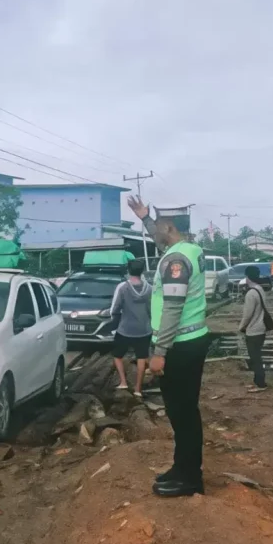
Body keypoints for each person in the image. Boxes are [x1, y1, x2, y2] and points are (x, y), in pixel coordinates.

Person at [128, 195, 211, 497]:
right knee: (182, 412)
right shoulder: (189, 249)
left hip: (179, 346)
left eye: (159, 225)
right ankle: (182, 467)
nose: (156, 231)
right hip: (191, 340)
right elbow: (160, 240)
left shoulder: (175, 261)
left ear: (170, 227)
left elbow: (173, 308)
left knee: (182, 413)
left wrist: (160, 353)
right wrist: (145, 218)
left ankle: (190, 478)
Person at [110, 259, 152, 397]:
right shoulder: (149, 288)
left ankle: (123, 382)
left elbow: (115, 308)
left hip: (125, 328)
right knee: (142, 357)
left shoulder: (122, 287)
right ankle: (138, 389)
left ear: (128, 270)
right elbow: (152, 309)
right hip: (144, 329)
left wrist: (114, 321)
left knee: (117, 355)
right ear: (142, 271)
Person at [239, 265, 269, 392]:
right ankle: (257, 382)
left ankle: (261, 384)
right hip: (261, 328)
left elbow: (247, 314)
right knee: (257, 356)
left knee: (255, 358)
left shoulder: (251, 293)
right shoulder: (260, 289)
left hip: (253, 331)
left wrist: (241, 327)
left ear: (247, 277)